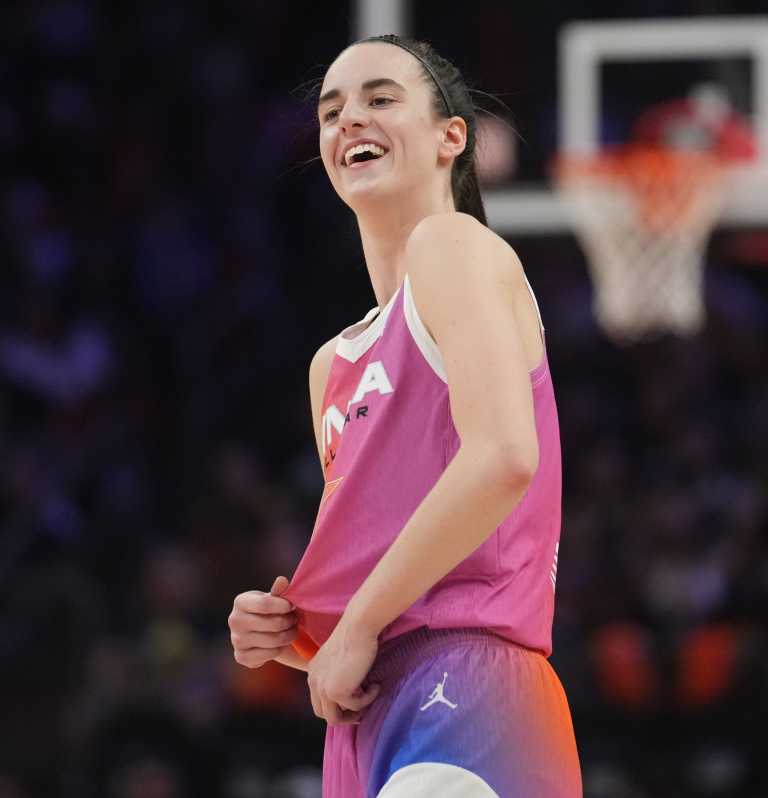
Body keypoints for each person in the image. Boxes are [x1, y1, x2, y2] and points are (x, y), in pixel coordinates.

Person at [225, 36, 581, 797]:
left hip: (471, 684)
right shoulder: (334, 362)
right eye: (331, 111)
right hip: (366, 714)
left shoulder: (451, 245)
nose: (350, 119)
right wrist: (296, 633)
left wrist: (353, 628)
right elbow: (381, 580)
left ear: (452, 137)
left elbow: (502, 458)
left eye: (380, 99)